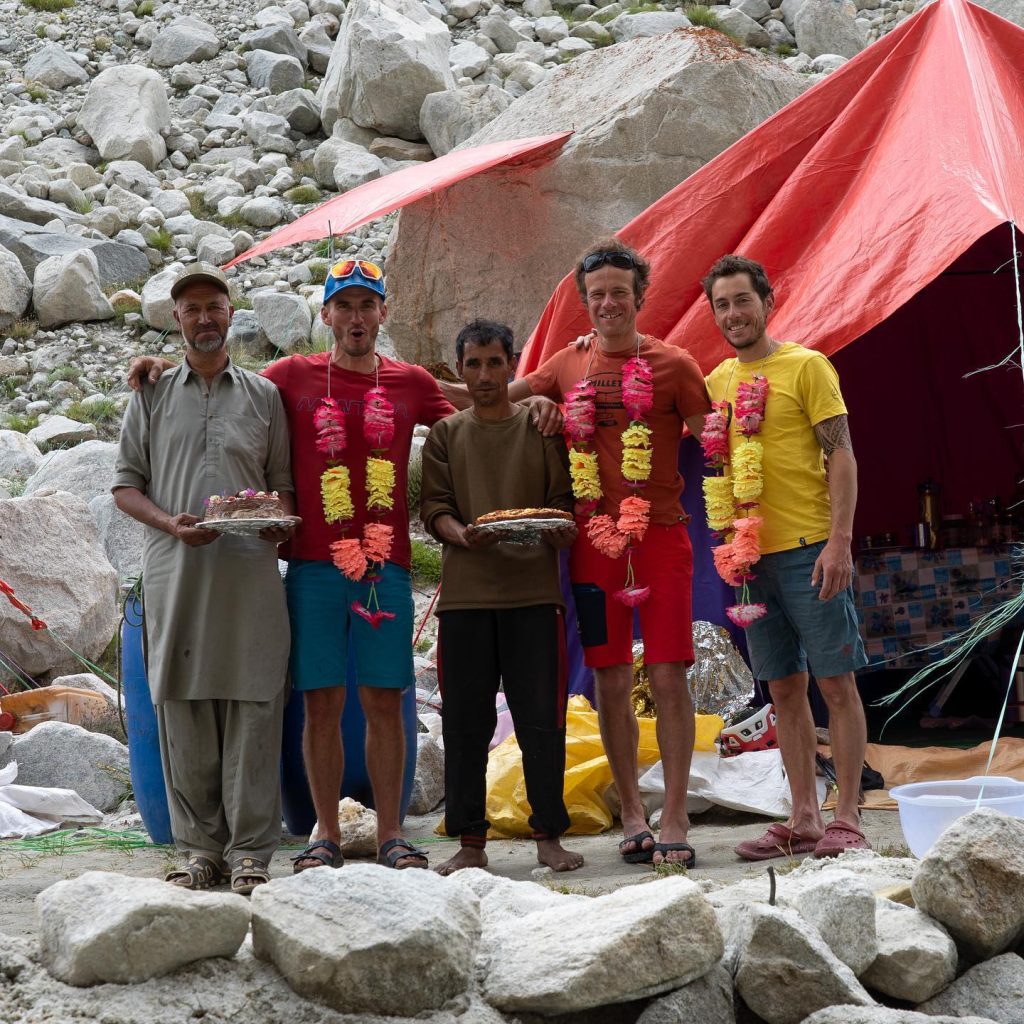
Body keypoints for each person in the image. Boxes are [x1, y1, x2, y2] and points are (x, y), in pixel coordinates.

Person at [128, 259, 561, 872]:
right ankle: (325, 833)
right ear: (326, 315)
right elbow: (220, 377)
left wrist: (538, 399)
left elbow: (476, 411)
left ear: (383, 313)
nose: (356, 318)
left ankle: (390, 836)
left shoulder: (409, 382)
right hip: (312, 566)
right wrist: (162, 370)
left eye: (367, 305)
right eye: (344, 306)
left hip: (388, 569)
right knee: (322, 703)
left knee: (386, 699)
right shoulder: (289, 376)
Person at [505, 239, 711, 867]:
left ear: (639, 296)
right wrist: (420, 391)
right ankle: (631, 811)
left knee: (671, 673)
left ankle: (674, 813)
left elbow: (720, 441)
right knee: (611, 677)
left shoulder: (676, 364)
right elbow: (492, 402)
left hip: (663, 539)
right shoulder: (566, 365)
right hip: (593, 544)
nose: (609, 303)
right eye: (597, 294)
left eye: (620, 291)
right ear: (583, 302)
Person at [112, 263, 298, 895]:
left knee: (254, 702)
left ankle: (250, 852)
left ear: (230, 313)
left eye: (214, 306)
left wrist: (274, 525)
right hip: (176, 571)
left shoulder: (264, 396)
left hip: (248, 574)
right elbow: (124, 487)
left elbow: (284, 490)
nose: (204, 318)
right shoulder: (152, 393)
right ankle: (199, 850)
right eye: (190, 309)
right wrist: (170, 522)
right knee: (183, 704)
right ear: (176, 319)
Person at [701, 253, 869, 860]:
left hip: (810, 550)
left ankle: (847, 817)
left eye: (742, 299)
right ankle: (803, 818)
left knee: (836, 682)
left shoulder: (808, 366)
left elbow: (842, 454)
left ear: (767, 302)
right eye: (721, 304)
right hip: (750, 561)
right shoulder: (717, 382)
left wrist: (840, 540)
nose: (733, 313)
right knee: (783, 690)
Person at [420, 319, 583, 876]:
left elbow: (563, 504)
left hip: (534, 596)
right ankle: (469, 841)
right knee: (466, 722)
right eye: (473, 364)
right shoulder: (447, 434)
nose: (485, 375)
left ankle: (549, 835)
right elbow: (435, 509)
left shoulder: (541, 428)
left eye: (494, 363)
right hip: (465, 599)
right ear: (459, 370)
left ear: (512, 363)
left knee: (542, 718)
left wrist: (557, 530)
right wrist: (461, 535)